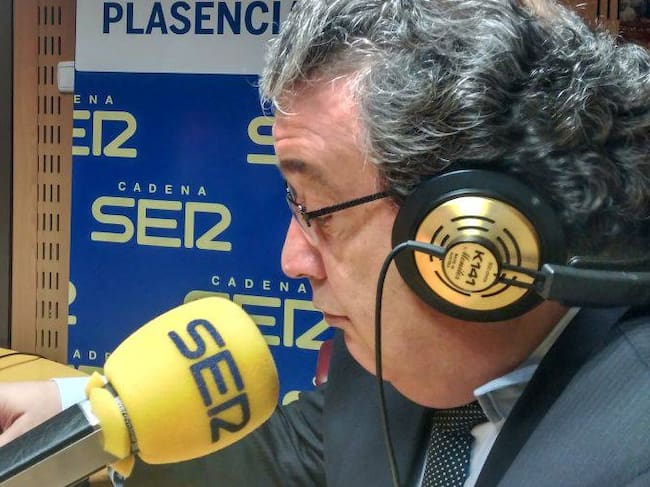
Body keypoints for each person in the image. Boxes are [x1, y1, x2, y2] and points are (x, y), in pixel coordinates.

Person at [1, 0, 649, 485]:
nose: (292, 259)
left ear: (473, 225)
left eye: (321, 211)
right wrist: (86, 416)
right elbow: (287, 458)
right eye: (295, 206)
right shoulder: (388, 364)